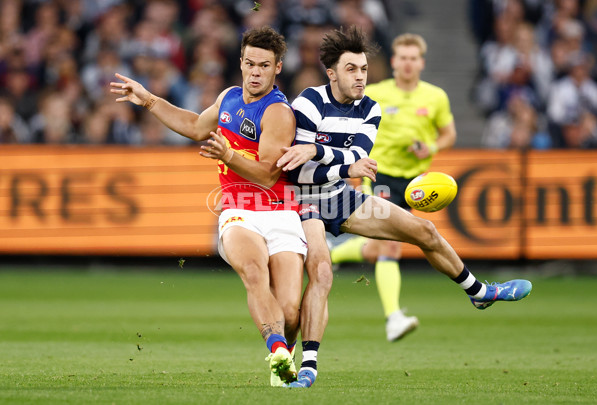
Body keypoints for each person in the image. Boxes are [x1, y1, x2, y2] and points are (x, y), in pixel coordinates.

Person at [276, 26, 533, 388]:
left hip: (338, 193)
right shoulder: (308, 102)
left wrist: (324, 154)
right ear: (331, 73)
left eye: (364, 69)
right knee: (322, 271)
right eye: (351, 69)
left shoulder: (370, 107)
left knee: (424, 231)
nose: (361, 77)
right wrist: (341, 164)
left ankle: (478, 293)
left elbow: (358, 154)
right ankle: (309, 367)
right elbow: (298, 167)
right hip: (303, 197)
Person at [110, 26, 306, 387]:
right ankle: (277, 349)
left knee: (292, 310)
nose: (255, 72)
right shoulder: (229, 97)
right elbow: (195, 126)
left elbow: (266, 175)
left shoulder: (278, 113)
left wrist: (229, 154)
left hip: (280, 210)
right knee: (252, 270)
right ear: (241, 62)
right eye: (249, 63)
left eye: (264, 65)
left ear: (278, 68)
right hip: (238, 209)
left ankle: (286, 350)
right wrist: (150, 100)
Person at [329, 33, 455, 342]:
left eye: (414, 58)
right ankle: (393, 318)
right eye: (403, 58)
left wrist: (431, 147)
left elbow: (449, 134)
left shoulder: (435, 96)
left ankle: (333, 254)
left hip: (414, 182)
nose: (408, 63)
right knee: (390, 245)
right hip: (377, 174)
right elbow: (347, 123)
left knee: (377, 246)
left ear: (421, 63)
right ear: (394, 61)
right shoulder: (374, 93)